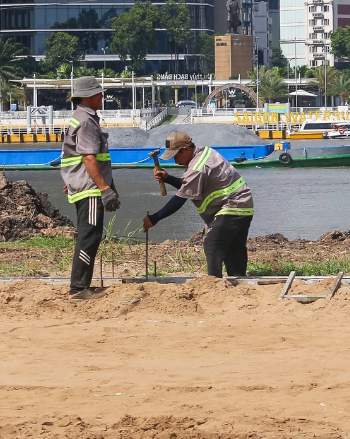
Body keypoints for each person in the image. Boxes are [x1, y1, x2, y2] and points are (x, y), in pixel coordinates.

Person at [142, 131, 255, 278]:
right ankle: (239, 280)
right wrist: (168, 178)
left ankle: (213, 284)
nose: (175, 160)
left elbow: (180, 199)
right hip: (243, 204)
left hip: (232, 206)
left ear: (185, 149)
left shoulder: (197, 167)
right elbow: (192, 187)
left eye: (176, 155)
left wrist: (155, 218)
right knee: (234, 248)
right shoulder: (204, 152)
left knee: (212, 244)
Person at [61, 76, 120, 300]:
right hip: (90, 189)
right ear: (88, 96)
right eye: (98, 93)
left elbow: (71, 156)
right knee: (89, 237)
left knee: (89, 235)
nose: (102, 97)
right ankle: (78, 289)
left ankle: (80, 286)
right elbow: (89, 158)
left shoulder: (79, 118)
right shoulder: (86, 121)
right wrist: (105, 189)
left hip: (83, 185)